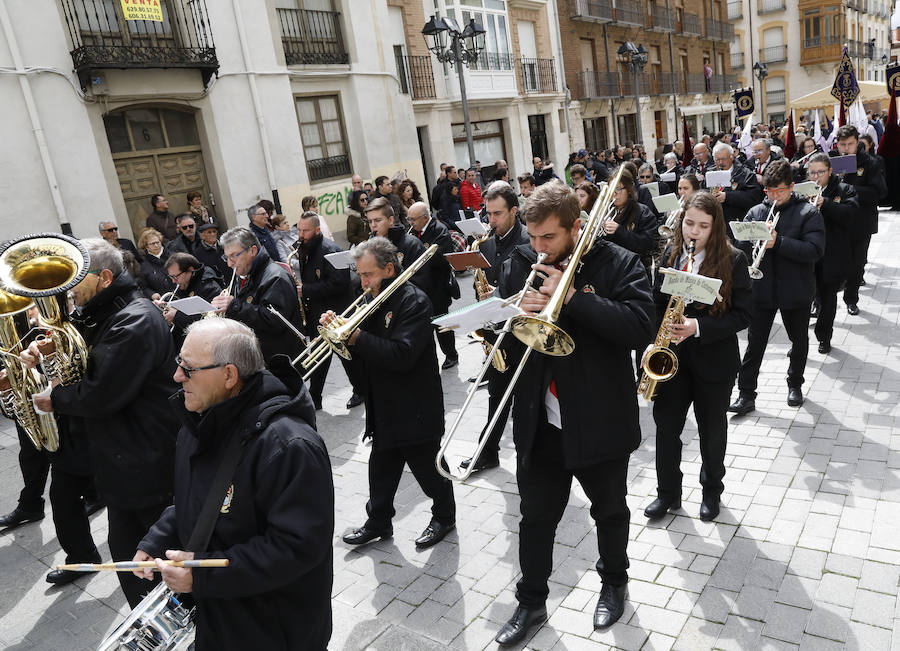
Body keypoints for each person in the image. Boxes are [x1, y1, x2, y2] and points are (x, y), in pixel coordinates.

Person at [492, 181, 654, 645]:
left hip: (599, 415)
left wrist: (573, 297)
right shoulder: (520, 262)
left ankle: (614, 582)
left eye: (548, 238)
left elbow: (640, 324)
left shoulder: (618, 262)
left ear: (576, 227)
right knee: (535, 517)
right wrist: (512, 314)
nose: (537, 248)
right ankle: (530, 602)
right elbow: (506, 337)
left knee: (610, 511)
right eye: (532, 236)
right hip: (541, 419)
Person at [134, 319, 334, 651]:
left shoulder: (290, 446)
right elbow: (198, 498)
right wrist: (158, 539)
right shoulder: (199, 421)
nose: (177, 376)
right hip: (221, 616)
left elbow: (296, 547)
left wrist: (201, 577)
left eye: (189, 368)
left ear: (229, 375)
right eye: (178, 364)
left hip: (275, 628)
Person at [22, 238, 179, 606]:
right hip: (123, 459)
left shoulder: (134, 320)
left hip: (145, 462)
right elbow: (86, 348)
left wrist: (54, 398)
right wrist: (50, 346)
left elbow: (101, 394)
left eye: (76, 278)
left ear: (104, 277)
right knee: (130, 560)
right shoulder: (107, 311)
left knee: (151, 562)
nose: (68, 289)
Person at [335, 238, 456, 549]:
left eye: (368, 275)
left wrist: (357, 336)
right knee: (381, 469)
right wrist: (340, 336)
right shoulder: (371, 299)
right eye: (360, 274)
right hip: (385, 404)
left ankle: (444, 516)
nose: (362, 282)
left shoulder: (414, 301)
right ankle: (378, 521)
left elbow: (402, 355)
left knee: (429, 471)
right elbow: (365, 354)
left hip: (415, 405)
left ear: (389, 269)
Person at [643, 192, 753, 522]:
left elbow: (744, 315)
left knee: (712, 431)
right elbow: (656, 304)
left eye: (703, 226)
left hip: (713, 362)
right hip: (671, 358)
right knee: (666, 428)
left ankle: (711, 492)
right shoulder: (671, 253)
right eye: (689, 223)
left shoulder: (734, 260)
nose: (694, 232)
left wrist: (698, 326)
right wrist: (653, 342)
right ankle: (667, 494)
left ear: (714, 227)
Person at [728, 159, 825, 414]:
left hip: (796, 290)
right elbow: (741, 250)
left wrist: (778, 242)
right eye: (769, 191)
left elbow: (815, 250)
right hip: (761, 290)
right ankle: (746, 393)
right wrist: (749, 242)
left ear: (791, 187)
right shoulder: (757, 212)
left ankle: (795, 384)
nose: (773, 196)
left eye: (779, 191)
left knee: (798, 340)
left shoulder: (808, 213)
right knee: (755, 343)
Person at [459, 181, 529, 474]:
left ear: (514, 210)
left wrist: (500, 294)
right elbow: (480, 287)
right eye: (488, 214)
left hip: (522, 333)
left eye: (498, 214)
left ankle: (529, 457)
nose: (491, 220)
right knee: (497, 396)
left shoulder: (527, 242)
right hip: (496, 334)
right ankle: (488, 451)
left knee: (526, 402)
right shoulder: (486, 243)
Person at [210, 227, 305, 393]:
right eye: (227, 257)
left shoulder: (276, 276)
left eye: (234, 256)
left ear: (252, 250)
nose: (229, 263)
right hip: (262, 360)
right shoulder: (247, 274)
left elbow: (275, 321)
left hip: (280, 361)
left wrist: (233, 306)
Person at [294, 212, 351, 409]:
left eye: (306, 230)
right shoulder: (305, 248)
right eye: (299, 230)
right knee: (319, 357)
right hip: (317, 313)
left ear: (317, 230)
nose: (301, 234)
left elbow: (341, 283)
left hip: (336, 312)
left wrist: (306, 290)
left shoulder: (332, 249)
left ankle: (360, 389)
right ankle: (315, 396)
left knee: (347, 356)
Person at [831, 125, 887, 316]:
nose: (846, 148)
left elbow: (879, 192)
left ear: (857, 143)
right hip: (837, 220)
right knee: (832, 263)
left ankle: (851, 299)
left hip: (861, 222)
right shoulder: (832, 161)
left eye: (850, 144)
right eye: (842, 145)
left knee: (857, 264)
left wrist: (848, 188)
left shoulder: (870, 163)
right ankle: (821, 300)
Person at [806, 153, 857, 354]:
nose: (816, 176)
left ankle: (823, 337)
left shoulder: (844, 189)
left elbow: (850, 215)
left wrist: (825, 203)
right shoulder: (803, 190)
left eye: (820, 172)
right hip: (807, 254)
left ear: (829, 171)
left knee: (827, 299)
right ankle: (799, 343)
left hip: (831, 255)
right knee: (805, 299)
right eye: (812, 173)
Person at [407, 201, 459, 370]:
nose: (411, 223)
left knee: (442, 322)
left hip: (438, 286)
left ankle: (451, 354)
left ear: (425, 217)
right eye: (409, 220)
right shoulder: (413, 232)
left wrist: (419, 250)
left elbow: (442, 259)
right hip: (421, 285)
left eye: (413, 219)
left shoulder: (439, 230)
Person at [365, 197, 430, 293]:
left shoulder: (411, 244)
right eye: (370, 221)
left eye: (378, 220)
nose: (373, 225)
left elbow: (421, 281)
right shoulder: (370, 247)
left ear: (391, 220)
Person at [161, 252, 224, 349]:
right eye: (171, 277)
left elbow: (209, 319)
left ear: (190, 270)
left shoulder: (209, 287)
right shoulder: (185, 283)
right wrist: (165, 306)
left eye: (175, 276)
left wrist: (176, 316)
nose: (173, 281)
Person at [604, 169, 659, 278]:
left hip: (635, 271)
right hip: (610, 270)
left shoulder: (643, 212)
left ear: (629, 190)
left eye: (618, 189)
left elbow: (647, 245)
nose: (613, 194)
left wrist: (619, 231)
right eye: (611, 189)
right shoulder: (605, 211)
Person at [710, 142, 763, 237]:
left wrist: (727, 196)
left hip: (736, 225)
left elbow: (753, 198)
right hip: (714, 225)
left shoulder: (746, 174)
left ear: (732, 157)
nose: (720, 163)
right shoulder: (710, 173)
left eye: (723, 159)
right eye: (717, 160)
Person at [137, 227, 175, 300]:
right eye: (152, 244)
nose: (156, 245)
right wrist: (151, 294)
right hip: (161, 301)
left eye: (158, 242)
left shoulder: (174, 257)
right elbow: (143, 287)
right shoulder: (144, 265)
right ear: (146, 247)